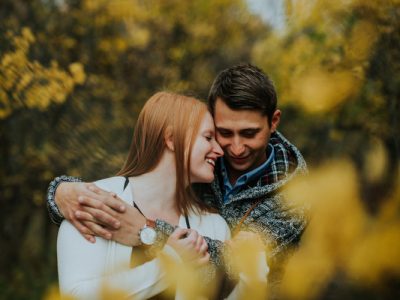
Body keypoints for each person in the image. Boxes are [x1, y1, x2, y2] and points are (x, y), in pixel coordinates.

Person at [48, 64, 306, 281]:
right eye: (222, 133)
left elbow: (236, 267)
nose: (235, 148)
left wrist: (148, 232)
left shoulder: (297, 195)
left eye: (249, 134)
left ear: (273, 122)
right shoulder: (203, 166)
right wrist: (61, 191)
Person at [57, 91, 236, 299]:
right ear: (171, 139)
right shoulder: (95, 204)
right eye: (208, 137)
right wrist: (169, 264)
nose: (219, 150)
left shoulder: (214, 226)